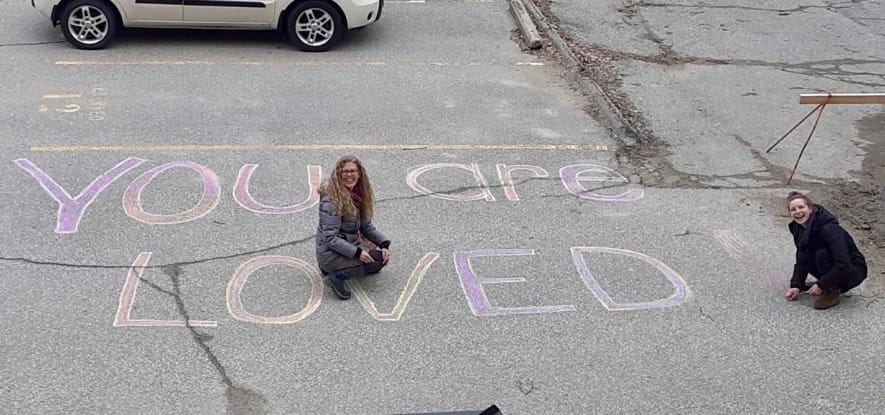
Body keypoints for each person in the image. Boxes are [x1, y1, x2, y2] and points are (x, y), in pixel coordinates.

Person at [315, 156, 390, 300]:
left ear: (360, 173)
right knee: (374, 261)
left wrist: (384, 244)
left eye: (353, 171)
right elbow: (330, 238)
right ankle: (336, 276)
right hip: (330, 253)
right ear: (339, 174)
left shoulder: (358, 194)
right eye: (345, 171)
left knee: (382, 260)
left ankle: (341, 268)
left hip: (348, 243)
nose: (349, 175)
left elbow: (366, 226)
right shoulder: (331, 199)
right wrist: (358, 253)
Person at [784, 191, 867, 309]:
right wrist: (796, 284)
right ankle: (827, 282)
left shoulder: (829, 228)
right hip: (834, 264)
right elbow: (801, 257)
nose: (798, 212)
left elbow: (844, 263)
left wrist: (821, 284)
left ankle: (832, 290)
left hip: (853, 270)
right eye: (793, 209)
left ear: (810, 209)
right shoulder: (798, 227)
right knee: (806, 254)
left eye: (801, 207)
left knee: (821, 254)